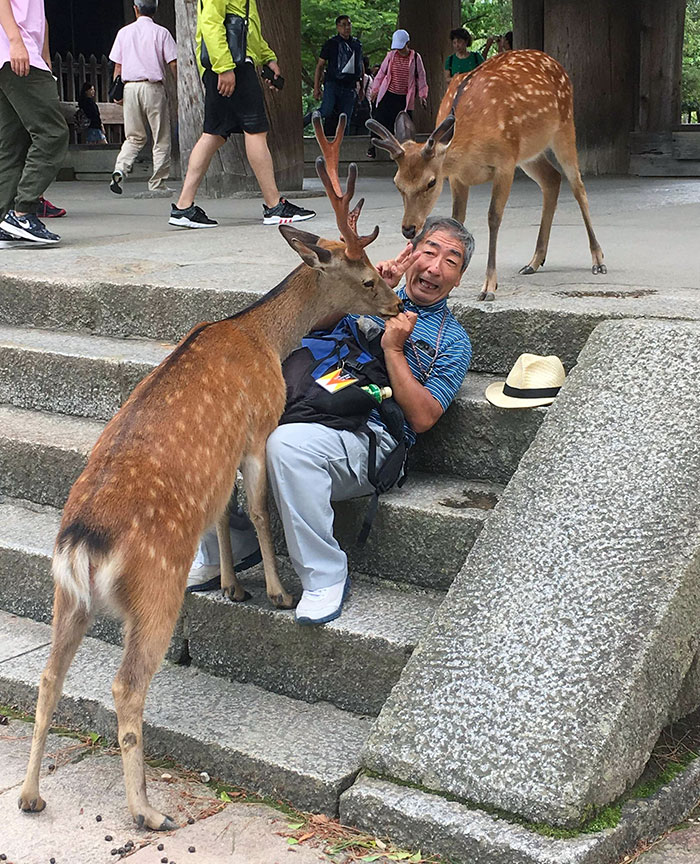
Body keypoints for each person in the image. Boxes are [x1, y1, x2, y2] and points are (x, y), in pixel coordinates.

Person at [189, 217, 475, 627]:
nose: (434, 267)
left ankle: (324, 575)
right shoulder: (374, 292)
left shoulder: (453, 340)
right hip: (314, 402)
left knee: (286, 445)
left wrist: (395, 352)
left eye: (451, 261)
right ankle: (227, 543)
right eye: (429, 251)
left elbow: (424, 417)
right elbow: (306, 323)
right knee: (206, 406)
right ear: (411, 254)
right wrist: (361, 284)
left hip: (373, 436)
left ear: (459, 279)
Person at [170, 0, 315, 229]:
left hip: (227, 67)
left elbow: (248, 29)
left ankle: (183, 207)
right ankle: (274, 205)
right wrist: (225, 67)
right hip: (231, 68)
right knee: (256, 131)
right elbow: (211, 24)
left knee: (214, 134)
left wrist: (268, 57)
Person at [0, 0, 68, 245]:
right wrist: (16, 41)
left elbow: (40, 16)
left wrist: (45, 54)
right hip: (17, 50)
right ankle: (24, 210)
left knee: (12, 143)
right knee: (52, 133)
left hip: (15, 52)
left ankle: (5, 221)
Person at [109, 0, 177, 197]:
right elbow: (173, 63)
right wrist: (177, 88)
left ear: (135, 9)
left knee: (134, 136)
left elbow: (118, 67)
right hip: (152, 87)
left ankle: (120, 169)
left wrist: (117, 93)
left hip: (130, 88)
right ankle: (157, 184)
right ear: (155, 10)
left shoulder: (124, 32)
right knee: (161, 137)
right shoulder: (161, 32)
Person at [367, 29, 428, 159]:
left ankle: (407, 152)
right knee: (380, 119)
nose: (399, 50)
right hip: (389, 94)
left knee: (405, 125)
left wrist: (423, 95)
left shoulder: (416, 58)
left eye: (402, 47)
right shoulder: (391, 56)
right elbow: (381, 74)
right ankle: (372, 147)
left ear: (408, 43)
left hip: (405, 98)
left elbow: (421, 78)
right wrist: (375, 90)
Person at [313, 14, 363, 137]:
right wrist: (316, 87)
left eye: (349, 24)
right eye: (343, 25)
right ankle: (307, 120)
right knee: (326, 110)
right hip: (333, 83)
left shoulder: (357, 45)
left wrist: (361, 87)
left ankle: (343, 144)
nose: (347, 28)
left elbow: (360, 65)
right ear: (337, 27)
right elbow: (320, 65)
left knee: (345, 118)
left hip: (350, 86)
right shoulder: (331, 43)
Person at [348, 55, 372, 136]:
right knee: (364, 137)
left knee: (350, 138)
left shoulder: (351, 78)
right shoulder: (369, 79)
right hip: (365, 111)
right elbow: (370, 95)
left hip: (353, 110)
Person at [78, 80, 107, 144]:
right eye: (91, 90)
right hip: (94, 126)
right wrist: (101, 126)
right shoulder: (89, 103)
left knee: (92, 144)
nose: (93, 91)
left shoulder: (83, 102)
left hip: (89, 126)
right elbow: (95, 115)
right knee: (104, 144)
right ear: (86, 91)